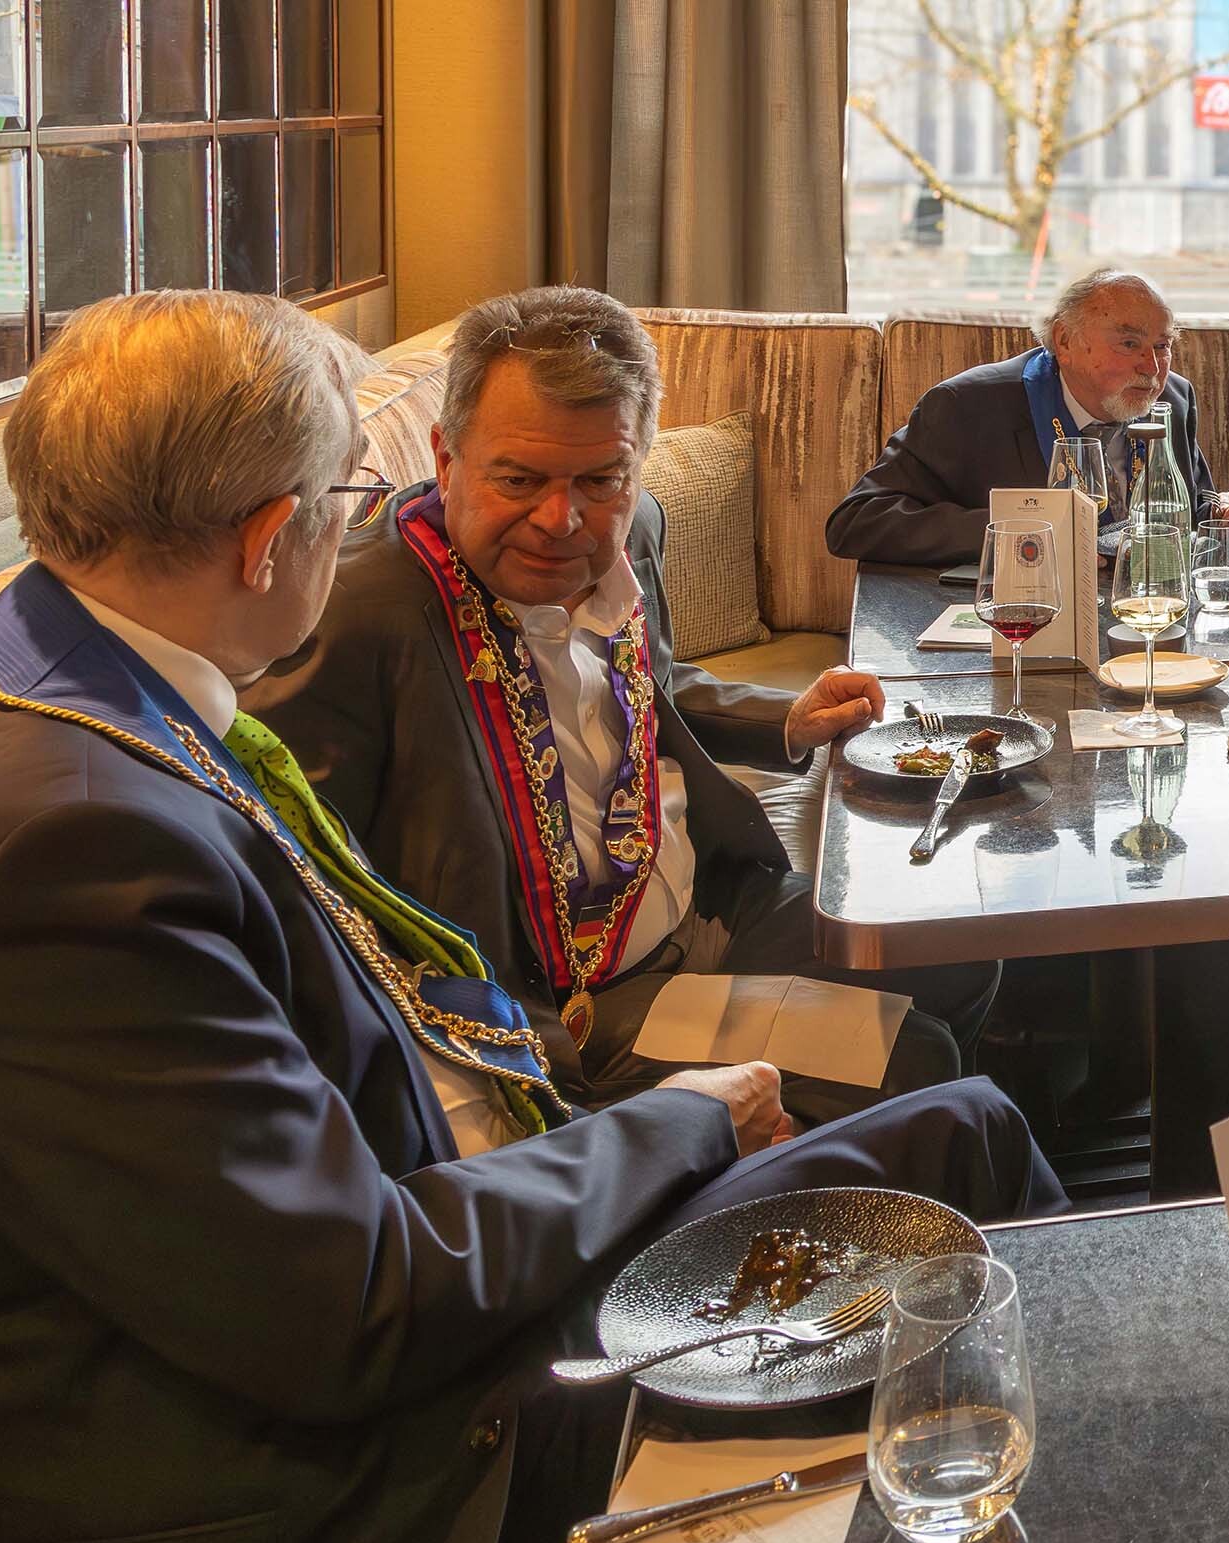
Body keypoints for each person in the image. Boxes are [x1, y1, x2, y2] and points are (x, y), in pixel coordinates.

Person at [0, 290, 1064, 1543]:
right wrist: (680, 1121)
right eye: (350, 496)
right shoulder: (73, 851)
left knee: (955, 1097)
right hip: (405, 1448)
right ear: (275, 537)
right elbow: (350, 1304)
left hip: (468, 1204)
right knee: (962, 1131)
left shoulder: (57, 705)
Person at [245, 286, 999, 1130]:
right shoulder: (352, 613)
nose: (560, 519)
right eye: (518, 479)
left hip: (710, 903)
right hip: (578, 1007)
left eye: (600, 479)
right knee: (915, 1059)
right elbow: (300, 891)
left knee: (962, 945)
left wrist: (785, 720)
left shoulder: (634, 525)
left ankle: (903, 1162)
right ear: (445, 459)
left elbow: (648, 688)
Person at [825, 266, 1229, 565]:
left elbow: (1194, 511)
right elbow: (857, 521)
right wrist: (1020, 532)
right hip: (1023, 623)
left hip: (1148, 617)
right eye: (1129, 344)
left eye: (1162, 346)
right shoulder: (967, 406)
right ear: (1065, 341)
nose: (1152, 367)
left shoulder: (1174, 399)